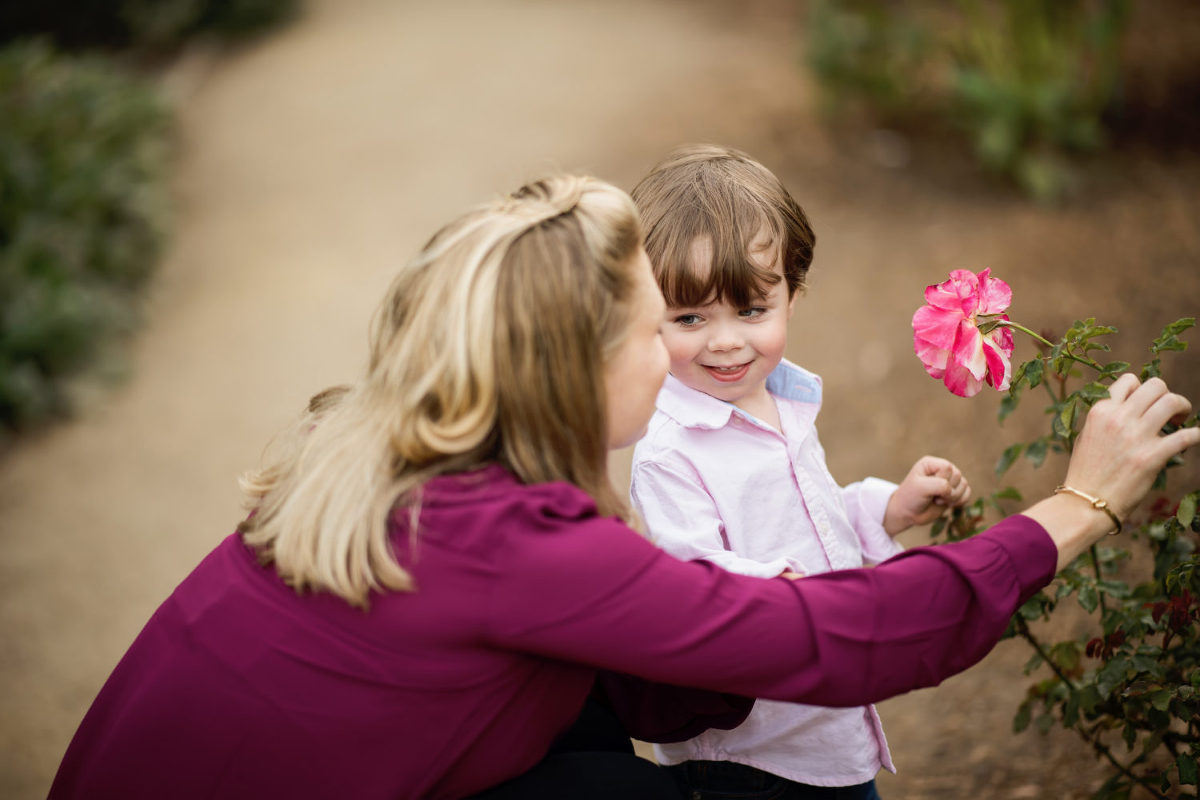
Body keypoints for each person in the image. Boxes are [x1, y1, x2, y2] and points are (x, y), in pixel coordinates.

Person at [48, 174, 1197, 800]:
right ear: (576, 367)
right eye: (660, 327)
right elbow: (834, 636)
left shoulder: (395, 451)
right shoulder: (514, 538)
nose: (690, 351)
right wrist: (1078, 505)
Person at [628, 144, 969, 798]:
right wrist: (793, 590)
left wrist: (888, 508)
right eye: (691, 317)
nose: (726, 341)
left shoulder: (778, 400)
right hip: (750, 755)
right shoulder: (669, 449)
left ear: (793, 294)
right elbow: (688, 583)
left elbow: (807, 518)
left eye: (751, 310)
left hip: (823, 725)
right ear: (646, 315)